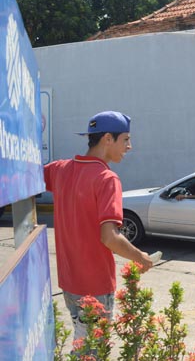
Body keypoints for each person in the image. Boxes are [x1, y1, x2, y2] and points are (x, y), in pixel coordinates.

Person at [44, 111, 154, 341]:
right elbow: (110, 237)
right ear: (107, 139)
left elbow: (29, 174)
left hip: (69, 282)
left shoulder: (60, 169)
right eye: (125, 139)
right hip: (95, 285)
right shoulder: (107, 179)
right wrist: (140, 257)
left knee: (82, 342)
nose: (129, 146)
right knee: (92, 350)